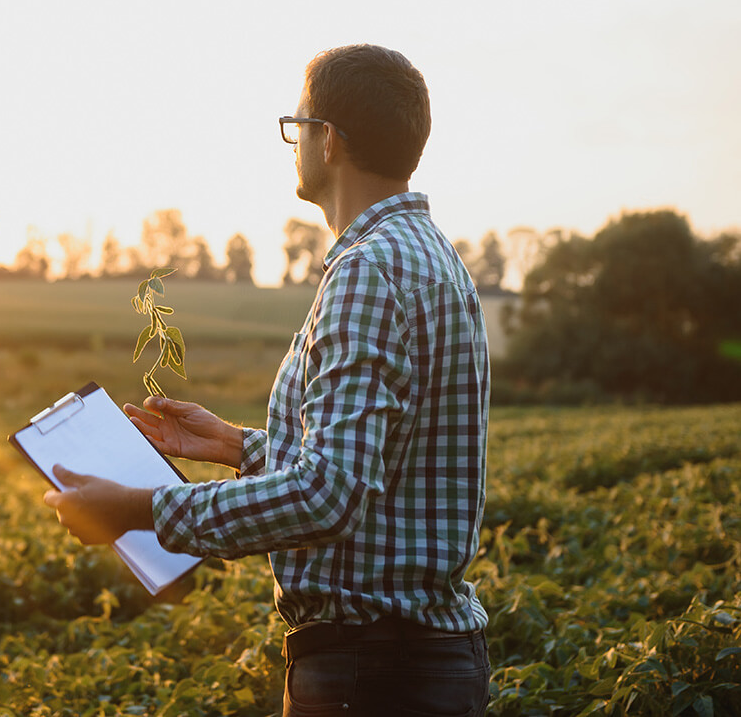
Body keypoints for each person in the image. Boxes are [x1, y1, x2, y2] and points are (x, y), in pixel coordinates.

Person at [44, 44, 491, 716]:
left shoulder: (369, 270)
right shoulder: (433, 258)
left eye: (298, 123)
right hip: (417, 661)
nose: (294, 144)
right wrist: (234, 447)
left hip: (371, 675)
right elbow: (383, 467)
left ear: (329, 140)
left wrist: (137, 511)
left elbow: (329, 497)